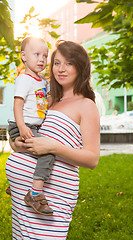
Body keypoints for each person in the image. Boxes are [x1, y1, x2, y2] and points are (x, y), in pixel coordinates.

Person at [6, 40, 100, 239]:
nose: (61, 69)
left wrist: (53, 147)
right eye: (56, 63)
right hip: (22, 197)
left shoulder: (86, 105)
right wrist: (16, 144)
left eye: (69, 63)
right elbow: (29, 137)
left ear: (81, 67)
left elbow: (92, 159)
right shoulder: (48, 101)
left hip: (52, 197)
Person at [7, 36, 54, 215]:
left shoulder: (43, 82)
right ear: (24, 56)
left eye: (45, 55)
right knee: (47, 152)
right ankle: (34, 194)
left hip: (32, 126)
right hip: (22, 125)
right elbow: (17, 104)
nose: (42, 59)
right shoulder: (24, 79)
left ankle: (17, 186)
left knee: (32, 155)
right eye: (36, 54)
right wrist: (21, 127)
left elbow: (49, 100)